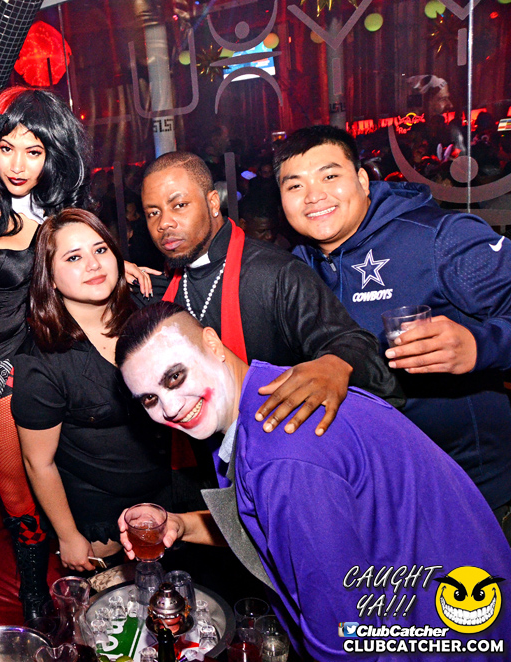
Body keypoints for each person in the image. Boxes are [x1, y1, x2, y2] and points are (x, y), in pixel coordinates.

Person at [116, 302, 511, 661]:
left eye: (175, 377)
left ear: (213, 344)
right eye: (149, 399)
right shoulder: (269, 391)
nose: (170, 408)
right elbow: (273, 525)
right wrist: (182, 524)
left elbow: (343, 640)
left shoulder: (281, 456)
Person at [0, 87, 157, 619]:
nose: (18, 165)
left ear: (52, 153)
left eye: (33, 151)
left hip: (50, 356)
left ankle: (84, 567)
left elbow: (93, 256)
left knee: (70, 464)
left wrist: (124, 268)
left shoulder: (65, 213)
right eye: (6, 148)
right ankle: (34, 596)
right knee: (18, 494)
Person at [276, 125, 511, 540]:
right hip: (377, 501)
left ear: (362, 180)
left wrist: (479, 346)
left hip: (473, 496)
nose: (313, 195)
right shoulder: (297, 269)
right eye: (295, 185)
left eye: (329, 176)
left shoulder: (437, 238)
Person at [136, 151, 400, 452]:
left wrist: (335, 363)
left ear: (213, 203)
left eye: (179, 205)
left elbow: (355, 345)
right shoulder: (161, 290)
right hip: (202, 465)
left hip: (285, 452)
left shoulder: (274, 273)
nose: (164, 223)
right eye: (153, 213)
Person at [12, 209, 173, 573]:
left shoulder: (149, 310)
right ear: (50, 279)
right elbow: (38, 462)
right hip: (101, 509)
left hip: (172, 491)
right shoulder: (42, 362)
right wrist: (68, 535)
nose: (93, 264)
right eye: (73, 257)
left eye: (100, 250)